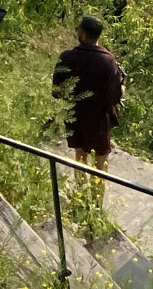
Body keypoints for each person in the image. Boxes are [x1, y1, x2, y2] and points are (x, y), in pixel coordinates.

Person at [53, 14, 126, 199]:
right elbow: (114, 97)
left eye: (78, 28)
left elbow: (57, 91)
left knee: (80, 155)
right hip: (98, 119)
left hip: (74, 115)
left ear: (83, 34)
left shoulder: (67, 57)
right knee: (101, 160)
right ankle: (95, 202)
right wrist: (122, 90)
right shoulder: (107, 61)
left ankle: (80, 195)